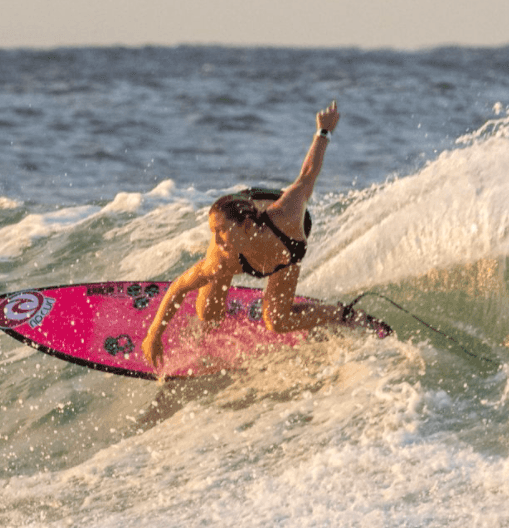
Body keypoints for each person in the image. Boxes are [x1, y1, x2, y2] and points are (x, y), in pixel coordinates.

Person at [140, 100, 391, 373]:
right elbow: (179, 286)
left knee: (277, 322)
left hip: (284, 238)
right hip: (241, 209)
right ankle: (208, 324)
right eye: (214, 232)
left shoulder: (287, 215)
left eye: (221, 232)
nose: (217, 240)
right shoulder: (222, 256)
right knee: (207, 313)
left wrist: (323, 131)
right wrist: (154, 334)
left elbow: (307, 175)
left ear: (247, 226)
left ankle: (341, 314)